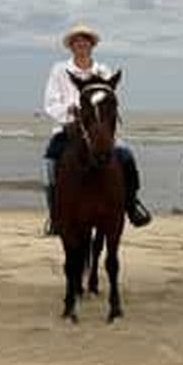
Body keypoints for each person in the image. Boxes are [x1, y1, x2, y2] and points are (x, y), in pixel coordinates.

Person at [42, 24, 152, 234]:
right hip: (68, 129)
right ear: (71, 46)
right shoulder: (59, 70)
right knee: (50, 161)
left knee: (126, 155)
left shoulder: (103, 71)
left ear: (91, 45)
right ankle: (56, 214)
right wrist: (70, 110)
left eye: (85, 41)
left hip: (99, 132)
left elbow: (110, 103)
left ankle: (132, 204)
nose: (81, 44)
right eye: (77, 41)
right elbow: (50, 103)